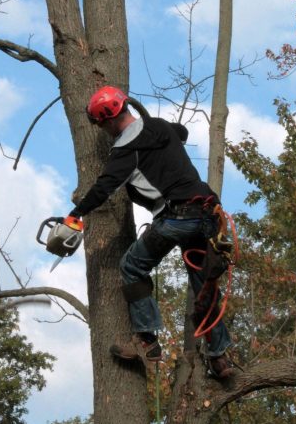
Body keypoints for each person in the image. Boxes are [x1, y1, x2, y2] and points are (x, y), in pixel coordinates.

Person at [69, 85, 234, 379]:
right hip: (209, 214)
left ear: (107, 120)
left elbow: (104, 188)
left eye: (102, 125)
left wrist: (75, 214)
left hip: (177, 218)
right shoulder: (160, 127)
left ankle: (147, 342)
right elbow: (181, 132)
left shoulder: (125, 151)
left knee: (131, 266)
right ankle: (220, 358)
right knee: (203, 285)